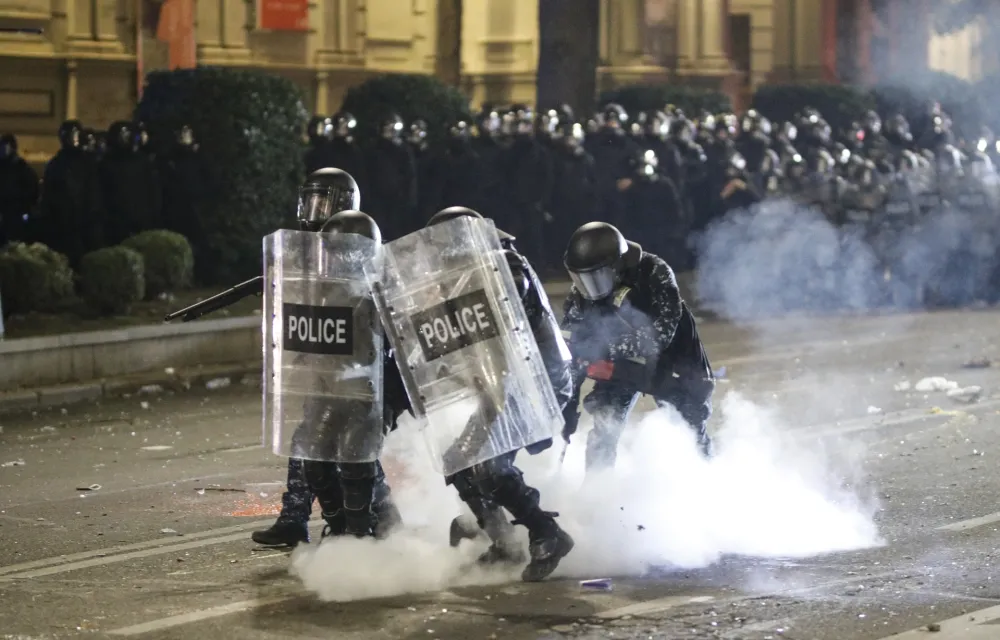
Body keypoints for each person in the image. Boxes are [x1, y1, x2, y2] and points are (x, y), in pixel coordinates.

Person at [429, 206, 576, 582]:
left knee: (489, 466)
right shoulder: (460, 278)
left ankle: (547, 533)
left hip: (537, 382)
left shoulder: (503, 264)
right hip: (501, 384)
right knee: (460, 460)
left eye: (445, 246)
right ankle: (503, 542)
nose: (440, 256)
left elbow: (506, 328)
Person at [252, 168, 367, 547]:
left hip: (355, 372)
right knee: (309, 442)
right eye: (310, 200)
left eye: (324, 201)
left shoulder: (356, 239)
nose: (313, 210)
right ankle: (296, 517)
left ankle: (366, 520)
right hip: (320, 363)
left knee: (355, 453)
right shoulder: (302, 248)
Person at [560, 222, 715, 473]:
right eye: (582, 278)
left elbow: (660, 335)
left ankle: (707, 477)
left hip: (673, 361)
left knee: (690, 427)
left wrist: (602, 348)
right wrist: (567, 406)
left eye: (597, 277)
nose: (589, 287)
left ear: (617, 266)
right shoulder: (581, 295)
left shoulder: (654, 272)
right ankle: (597, 493)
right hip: (620, 368)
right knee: (604, 430)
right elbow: (571, 352)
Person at [297, 210, 407, 540]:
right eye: (330, 252)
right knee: (314, 459)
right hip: (330, 389)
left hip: (372, 393)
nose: (334, 260)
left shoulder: (386, 289)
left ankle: (362, 537)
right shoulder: (323, 290)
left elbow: (402, 346)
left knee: (356, 463)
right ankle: (341, 525)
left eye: (341, 252)